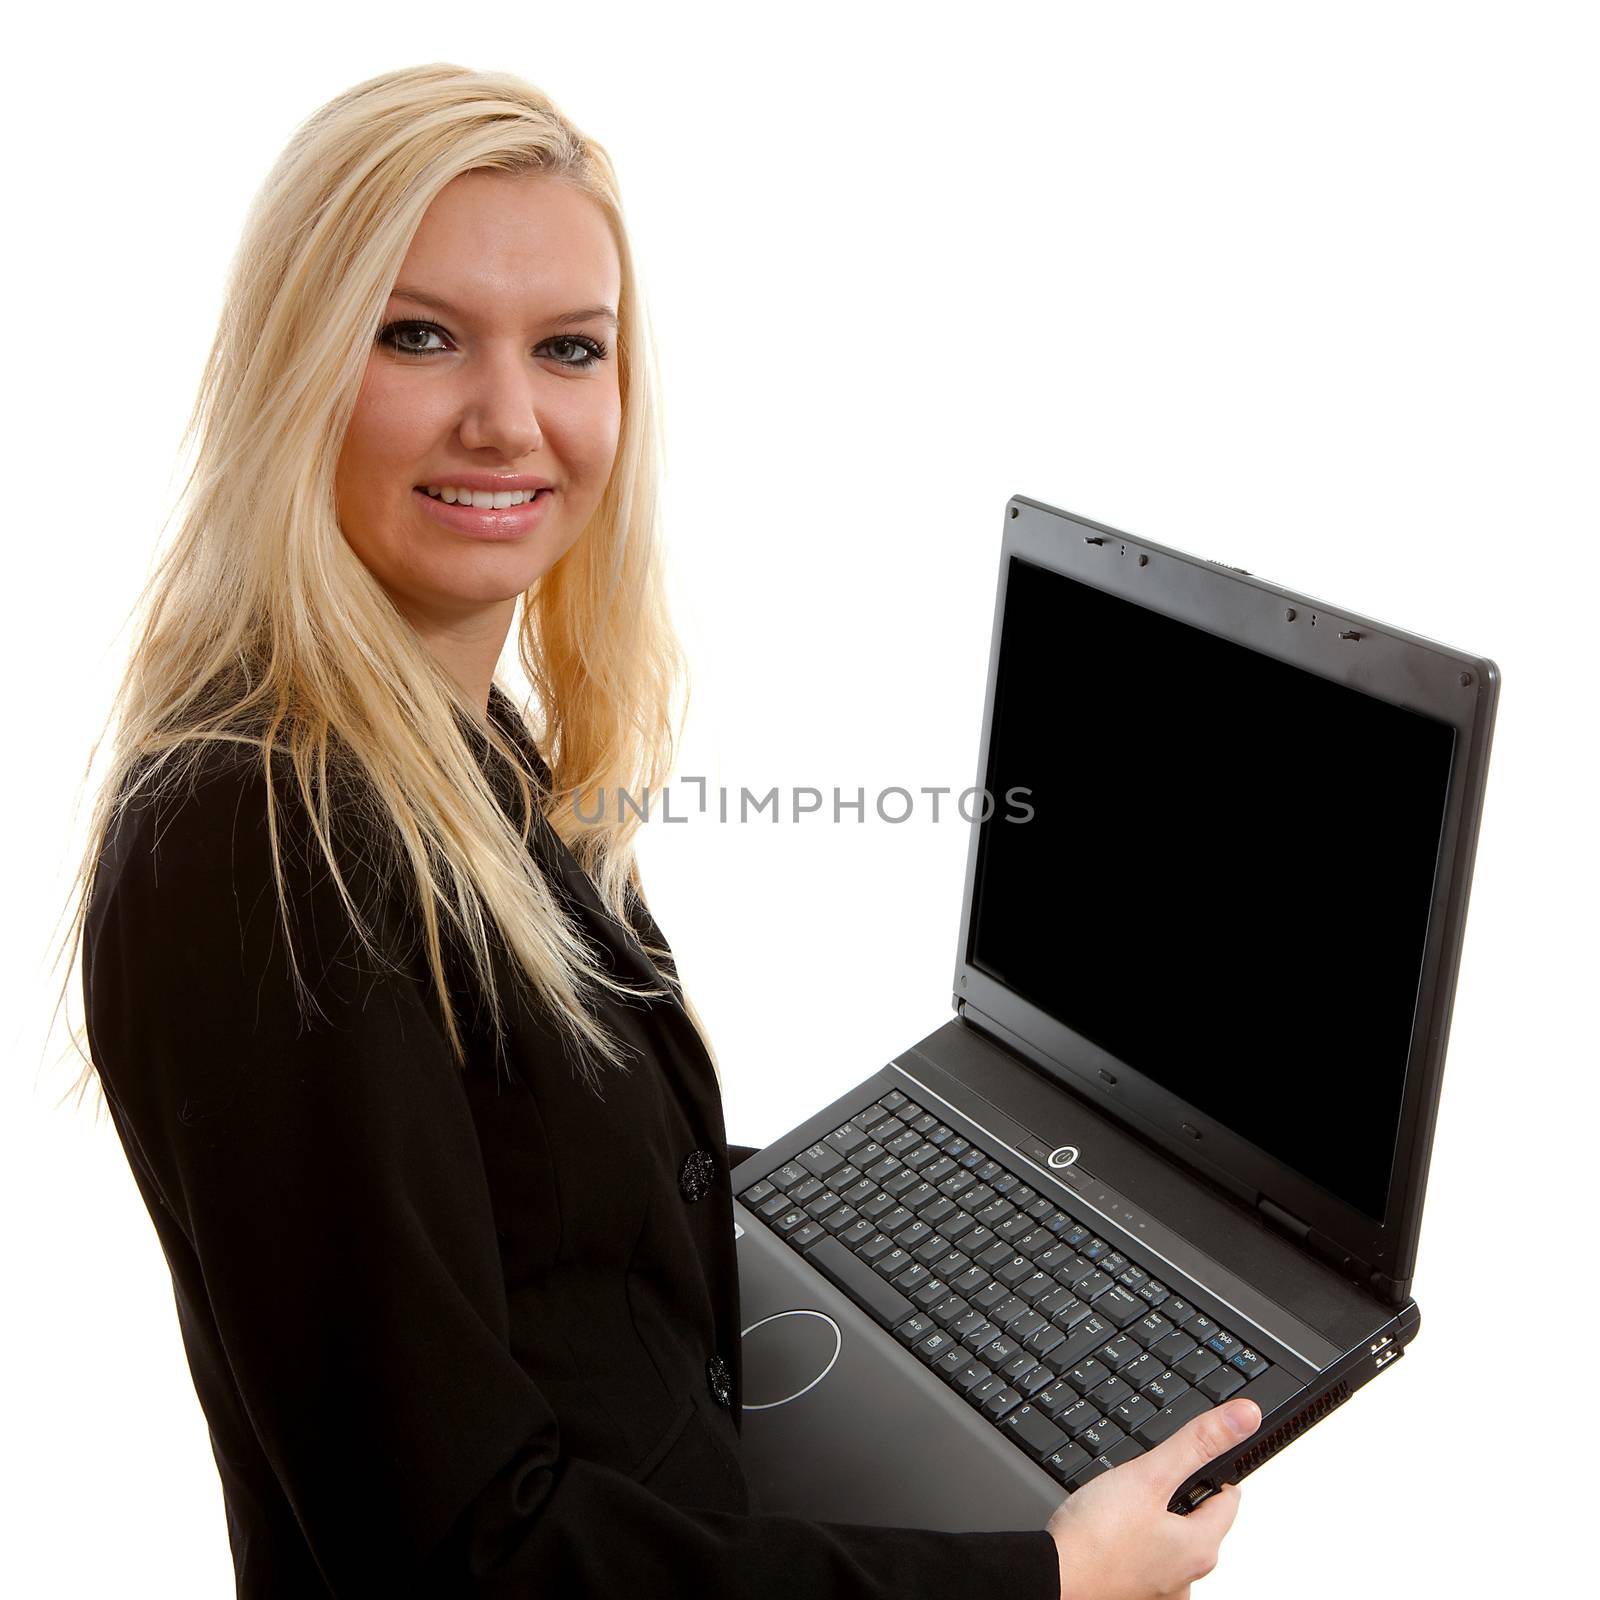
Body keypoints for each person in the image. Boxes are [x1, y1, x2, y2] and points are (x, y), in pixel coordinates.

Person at [64, 63, 1260, 1598]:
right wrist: (1044, 1585)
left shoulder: (449, 744)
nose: (509, 422)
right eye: (417, 335)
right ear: (293, 367)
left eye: (570, 349)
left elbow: (518, 1215)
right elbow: (464, 1556)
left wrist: (905, 1218)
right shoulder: (267, 846)